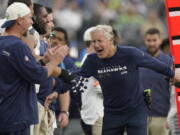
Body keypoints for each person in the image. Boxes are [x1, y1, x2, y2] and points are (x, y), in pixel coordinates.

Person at [79, 24, 180, 135]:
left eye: (99, 41)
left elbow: (155, 64)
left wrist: (173, 74)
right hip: (112, 114)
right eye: (93, 41)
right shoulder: (92, 60)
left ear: (111, 40)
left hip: (136, 111)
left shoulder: (130, 53)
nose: (96, 45)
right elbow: (76, 78)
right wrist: (60, 74)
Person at [0, 2, 68, 135]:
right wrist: (55, 61)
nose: (32, 22)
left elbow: (23, 70)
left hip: (5, 112)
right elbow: (39, 76)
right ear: (19, 20)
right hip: (17, 115)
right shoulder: (18, 46)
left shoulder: (3, 42)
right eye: (30, 17)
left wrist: (44, 60)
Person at [139, 28, 172, 135]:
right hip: (140, 116)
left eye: (154, 40)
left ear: (160, 40)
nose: (152, 43)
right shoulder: (137, 59)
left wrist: (170, 115)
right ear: (144, 40)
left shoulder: (169, 62)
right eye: (149, 40)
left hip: (162, 116)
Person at [80, 27, 104, 135]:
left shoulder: (87, 58)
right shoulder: (92, 60)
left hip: (91, 113)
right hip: (97, 114)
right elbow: (100, 87)